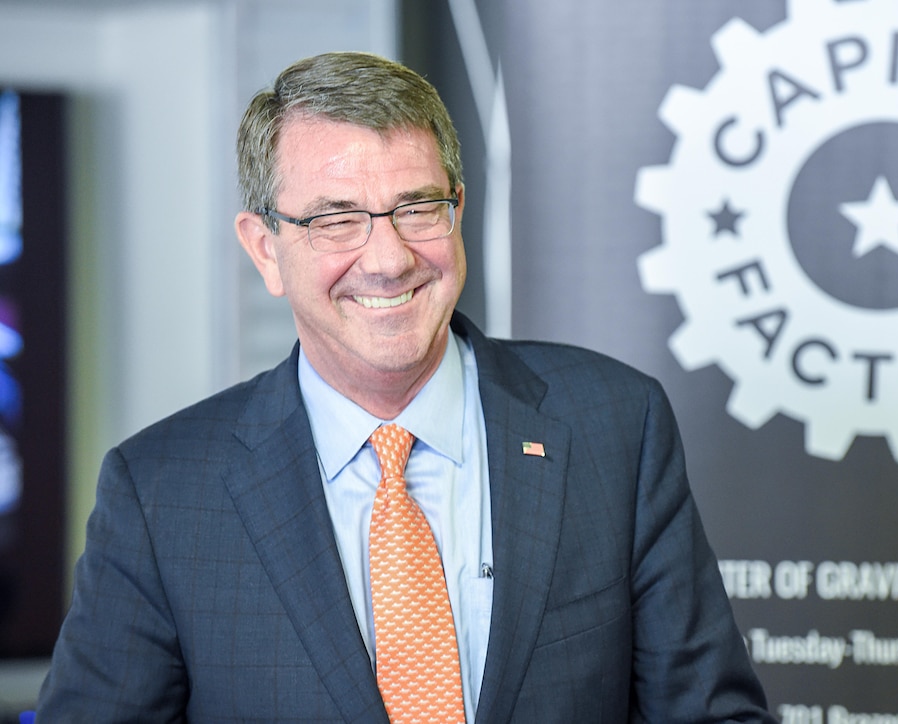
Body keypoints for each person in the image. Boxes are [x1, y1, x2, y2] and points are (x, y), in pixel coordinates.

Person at [37, 51, 774, 722]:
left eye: (418, 208)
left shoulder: (615, 424)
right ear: (266, 250)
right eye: (336, 219)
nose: (388, 259)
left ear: (458, 208)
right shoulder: (162, 492)